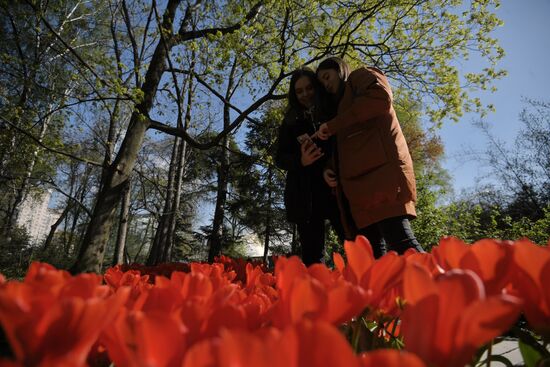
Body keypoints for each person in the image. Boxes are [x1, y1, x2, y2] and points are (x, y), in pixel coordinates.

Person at [314, 56, 424, 258]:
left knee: (404, 246)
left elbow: (380, 98)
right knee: (375, 261)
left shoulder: (360, 77)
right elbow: (348, 146)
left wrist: (333, 125)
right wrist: (329, 168)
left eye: (327, 76)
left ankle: (445, 287)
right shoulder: (341, 109)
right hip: (360, 194)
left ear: (340, 71)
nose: (326, 84)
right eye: (322, 82)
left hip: (383, 184)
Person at [274, 67, 345, 266]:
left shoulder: (332, 111)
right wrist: (301, 160)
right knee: (313, 257)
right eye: (299, 91)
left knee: (352, 242)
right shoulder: (290, 121)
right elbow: (279, 157)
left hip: (333, 190)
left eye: (309, 88)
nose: (305, 94)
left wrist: (330, 168)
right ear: (294, 94)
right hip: (305, 196)